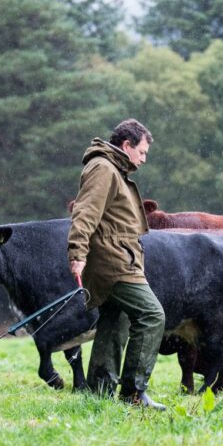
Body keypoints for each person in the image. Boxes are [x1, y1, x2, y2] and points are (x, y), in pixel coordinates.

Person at [67, 119, 166, 410]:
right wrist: (77, 253)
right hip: (113, 259)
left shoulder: (112, 169)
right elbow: (85, 213)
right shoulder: (104, 169)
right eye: (142, 152)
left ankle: (100, 390)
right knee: (152, 315)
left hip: (120, 255)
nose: (143, 159)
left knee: (115, 320)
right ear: (127, 145)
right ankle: (134, 392)